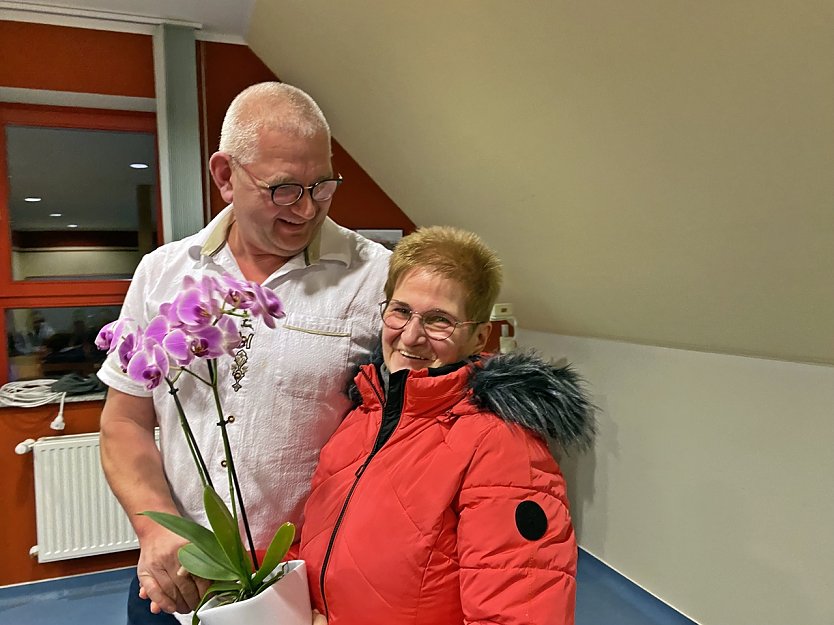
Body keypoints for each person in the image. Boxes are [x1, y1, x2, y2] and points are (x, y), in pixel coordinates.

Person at [97, 82, 391, 625]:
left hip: (310, 584)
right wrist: (157, 529)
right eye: (283, 189)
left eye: (322, 185)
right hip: (181, 575)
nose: (306, 209)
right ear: (225, 176)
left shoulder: (374, 277)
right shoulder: (162, 274)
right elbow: (125, 422)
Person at [299, 226, 595, 625]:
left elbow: (518, 610)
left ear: (478, 337)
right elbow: (317, 550)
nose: (412, 335)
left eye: (440, 321)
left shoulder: (501, 444)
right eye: (401, 311)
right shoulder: (359, 417)